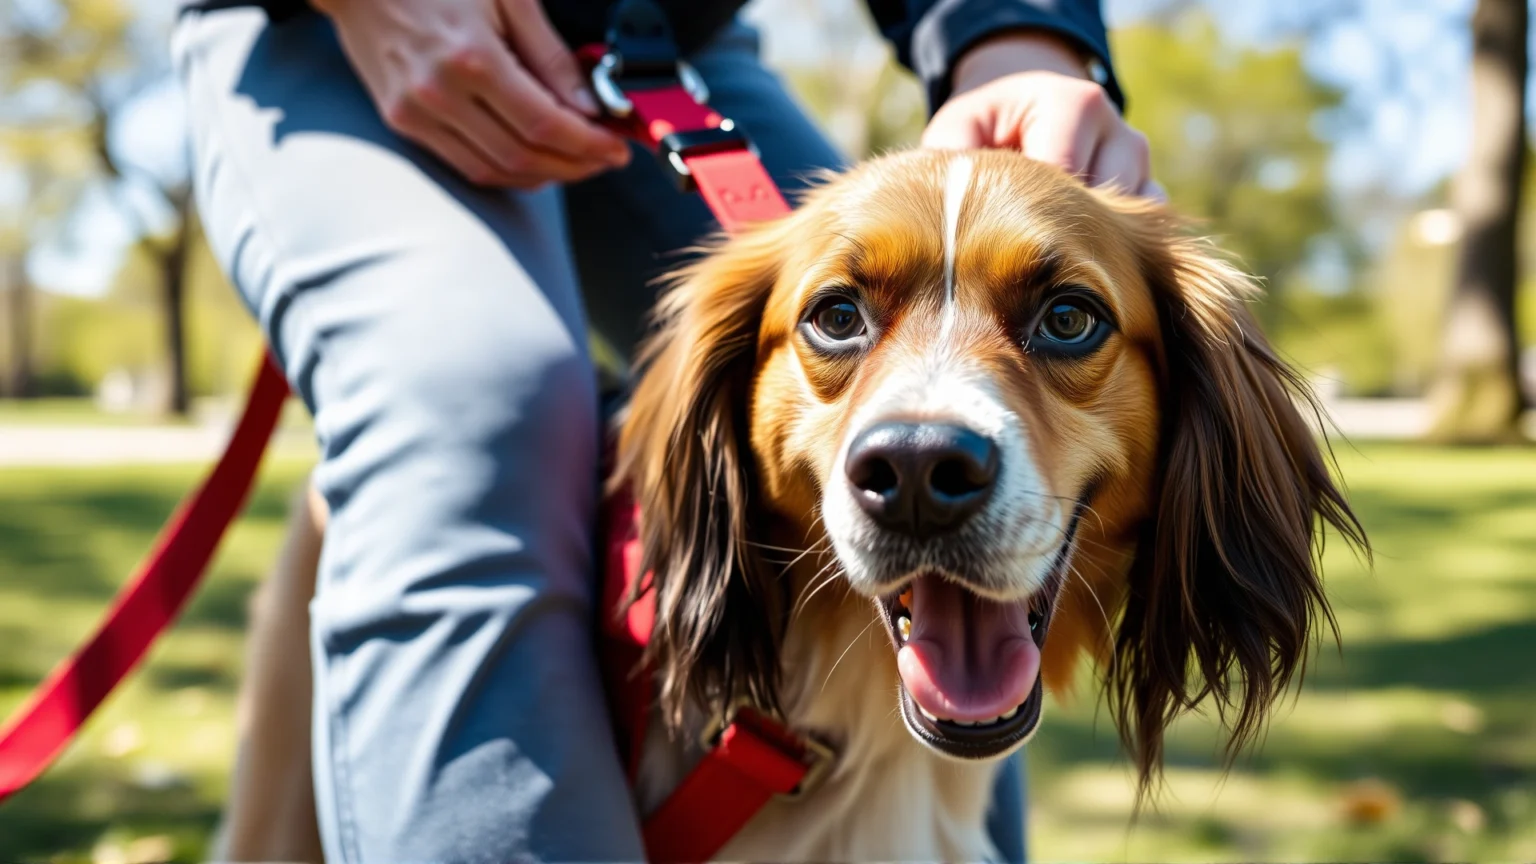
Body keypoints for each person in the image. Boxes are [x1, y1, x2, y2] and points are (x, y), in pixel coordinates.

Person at [172, 0, 1153, 860]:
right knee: (480, 398)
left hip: (670, 33)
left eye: (1066, 321)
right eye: (842, 322)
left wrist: (1018, 34)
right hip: (334, 31)